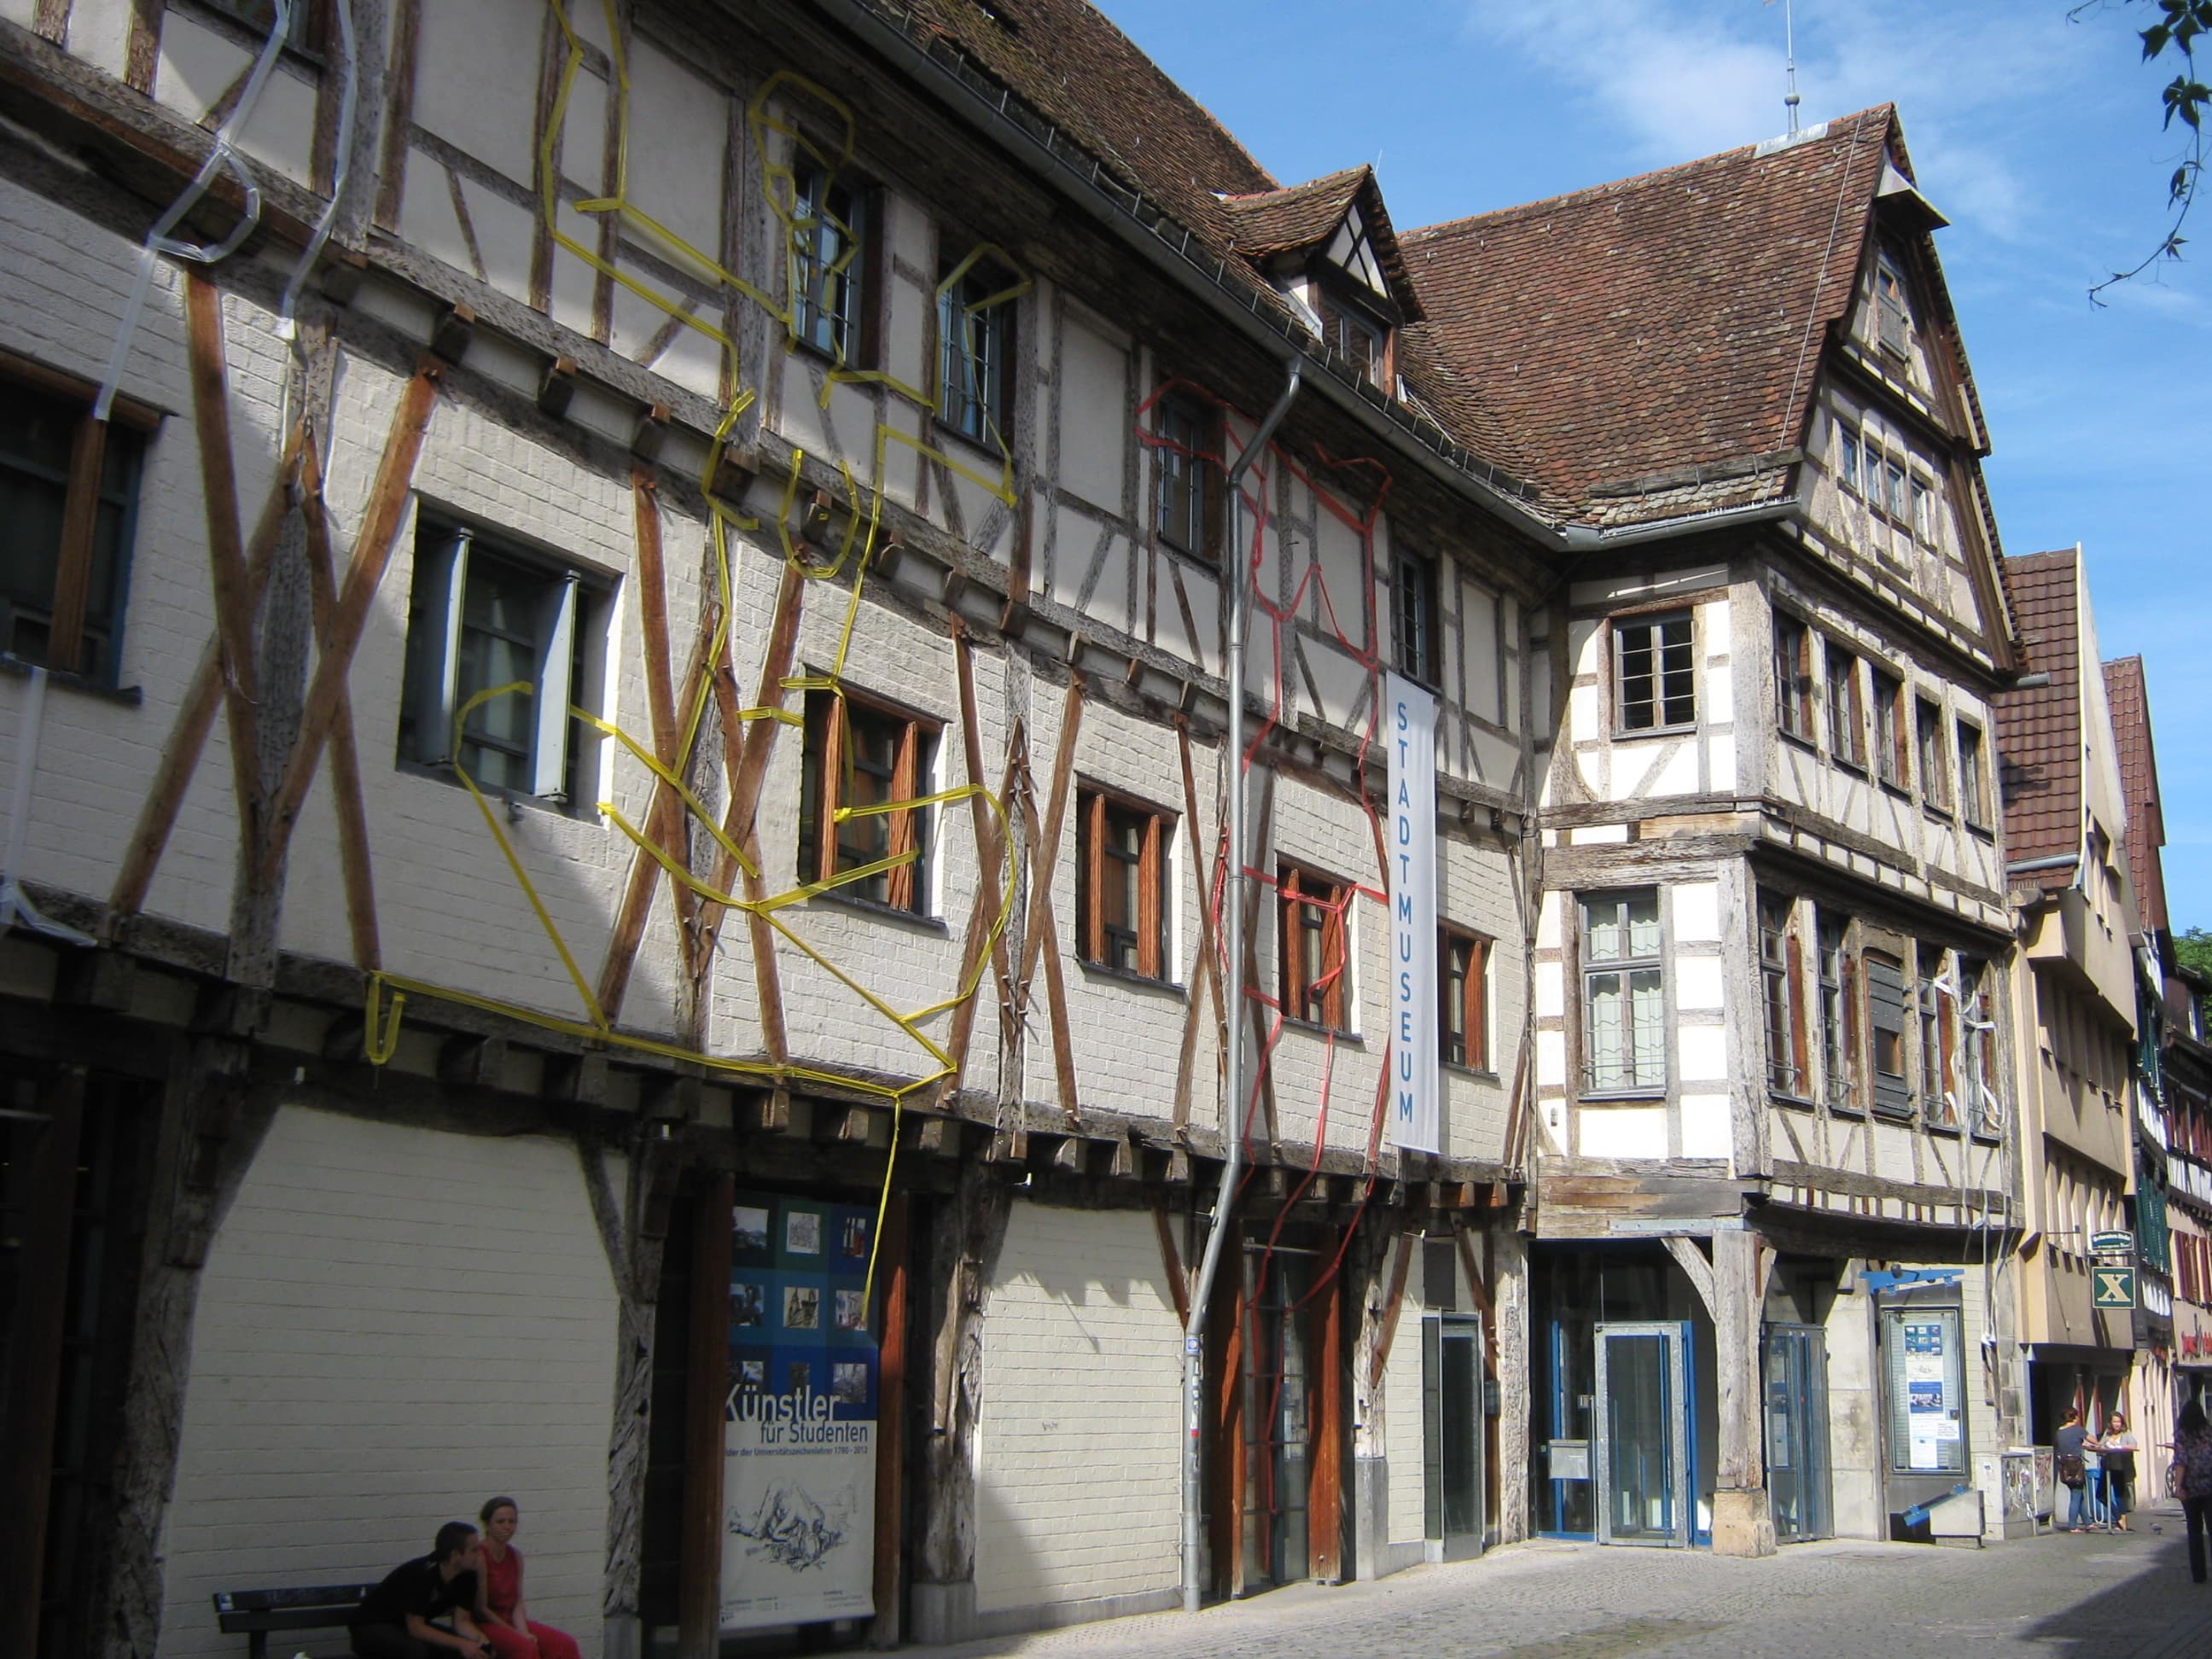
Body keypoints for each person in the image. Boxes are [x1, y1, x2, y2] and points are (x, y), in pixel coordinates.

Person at [350, 1522, 492, 1659]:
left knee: (463, 1651)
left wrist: (479, 1639)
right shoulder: (422, 1573)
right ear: (455, 1555)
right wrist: (462, 1644)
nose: (480, 1554)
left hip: (403, 1626)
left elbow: (462, 1621)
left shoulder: (468, 1576)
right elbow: (416, 1628)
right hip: (371, 1626)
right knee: (419, 1652)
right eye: (474, 1550)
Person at [474, 1497, 582, 1659]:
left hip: (511, 1620)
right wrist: (515, 1633)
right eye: (500, 1522)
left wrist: (523, 1631)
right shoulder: (480, 1556)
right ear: (487, 1524)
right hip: (487, 1623)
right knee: (526, 1649)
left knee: (565, 1644)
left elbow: (517, 1601)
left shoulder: (515, 1555)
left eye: (512, 1522)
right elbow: (481, 1608)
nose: (507, 1526)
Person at [2170, 1399, 2212, 1583]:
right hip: (2210, 1485)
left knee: (2194, 1530)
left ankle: (2199, 1574)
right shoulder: (2209, 1431)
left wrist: (2178, 1486)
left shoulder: (2182, 1435)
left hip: (2191, 1487)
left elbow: (2181, 1461)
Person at [2055, 1406, 2093, 1532]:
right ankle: (2072, 1525)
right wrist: (2099, 1443)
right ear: (2075, 1417)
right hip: (2075, 1465)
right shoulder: (2078, 1430)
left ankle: (2088, 1522)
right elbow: (2093, 1440)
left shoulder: (2059, 1432)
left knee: (2077, 1493)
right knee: (2076, 1496)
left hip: (2064, 1465)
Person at [2102, 1412, 2140, 1532]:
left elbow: (2134, 1446)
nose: (2117, 1424)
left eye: (2119, 1421)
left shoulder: (2126, 1433)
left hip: (2121, 1466)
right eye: (2114, 1421)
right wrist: (2105, 1444)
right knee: (2100, 1494)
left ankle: (2122, 1520)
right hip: (2108, 1466)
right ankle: (2118, 1517)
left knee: (2120, 1495)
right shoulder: (2107, 1433)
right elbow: (2101, 1445)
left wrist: (2120, 1447)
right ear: (2111, 1423)